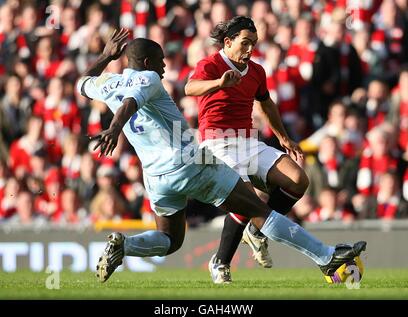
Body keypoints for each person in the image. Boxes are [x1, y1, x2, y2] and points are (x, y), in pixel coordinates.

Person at [76, 28, 366, 284]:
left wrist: (105, 56)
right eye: (161, 60)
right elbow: (131, 102)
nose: (165, 66)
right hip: (189, 160)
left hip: (155, 176)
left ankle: (123, 245)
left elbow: (83, 83)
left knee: (170, 240)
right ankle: (327, 256)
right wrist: (114, 128)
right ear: (149, 63)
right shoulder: (149, 78)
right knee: (258, 210)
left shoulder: (107, 83)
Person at [185, 16, 308, 283]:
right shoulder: (210, 64)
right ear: (228, 42)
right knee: (246, 198)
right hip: (217, 143)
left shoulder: (256, 71)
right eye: (245, 43)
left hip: (248, 142)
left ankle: (257, 232)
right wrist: (219, 83)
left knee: (298, 180)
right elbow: (190, 87)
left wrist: (284, 138)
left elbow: (266, 103)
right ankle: (221, 262)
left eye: (254, 43)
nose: (250, 49)